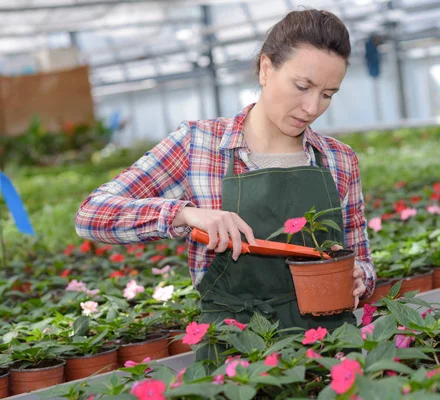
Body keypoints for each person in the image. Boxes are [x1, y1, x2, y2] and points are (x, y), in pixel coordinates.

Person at [75, 9, 376, 338]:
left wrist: (358, 276)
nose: (312, 107)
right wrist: (186, 215)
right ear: (265, 68)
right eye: (302, 86)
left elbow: (360, 257)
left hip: (327, 343)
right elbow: (92, 214)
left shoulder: (338, 159)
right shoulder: (198, 146)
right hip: (237, 351)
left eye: (327, 95)